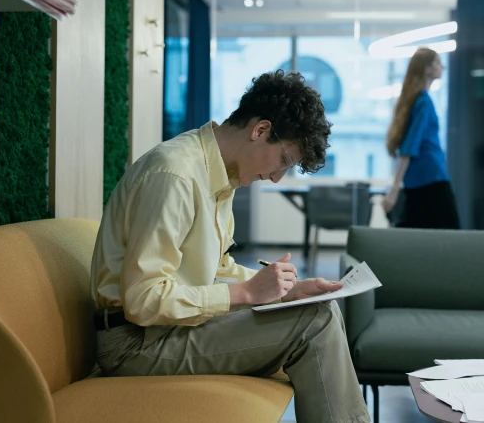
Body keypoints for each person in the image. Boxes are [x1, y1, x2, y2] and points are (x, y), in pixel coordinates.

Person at [91, 70, 371, 423]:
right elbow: (143, 300)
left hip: (167, 331)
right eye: (284, 161)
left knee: (321, 309)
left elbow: (216, 270)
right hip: (135, 345)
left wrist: (284, 291)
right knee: (314, 321)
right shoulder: (174, 176)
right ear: (261, 130)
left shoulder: (220, 177)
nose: (276, 177)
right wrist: (246, 294)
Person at [382, 47, 460, 229]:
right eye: (438, 63)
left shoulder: (414, 100)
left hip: (417, 181)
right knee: (449, 234)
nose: (442, 67)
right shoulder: (423, 102)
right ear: (427, 68)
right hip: (432, 179)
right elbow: (409, 147)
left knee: (419, 234)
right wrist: (394, 189)